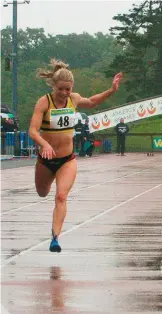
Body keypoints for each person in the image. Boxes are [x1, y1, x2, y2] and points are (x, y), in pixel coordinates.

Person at [28, 58, 122, 253]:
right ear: (54, 86)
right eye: (61, 89)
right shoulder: (44, 102)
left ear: (72, 89)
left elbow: (93, 101)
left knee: (61, 196)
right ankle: (54, 231)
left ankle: (55, 237)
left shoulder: (74, 99)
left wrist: (111, 90)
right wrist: (44, 144)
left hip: (66, 160)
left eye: (67, 90)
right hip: (45, 161)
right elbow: (33, 131)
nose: (64, 93)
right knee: (42, 192)